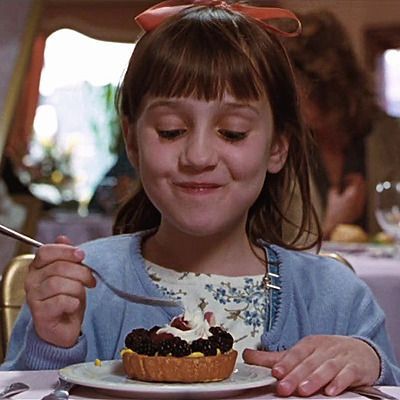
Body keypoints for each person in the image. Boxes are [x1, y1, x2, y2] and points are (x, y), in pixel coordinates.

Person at [1, 1, 399, 397]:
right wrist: (51, 345)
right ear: (132, 142)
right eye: (171, 130)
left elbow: (385, 384)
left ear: (278, 147)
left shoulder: (334, 297)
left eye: (233, 132)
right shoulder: (85, 288)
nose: (199, 156)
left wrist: (370, 363)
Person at [283, 10, 400, 238]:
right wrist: (331, 226)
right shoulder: (283, 148)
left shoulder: (391, 136)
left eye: (313, 93)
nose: (300, 103)